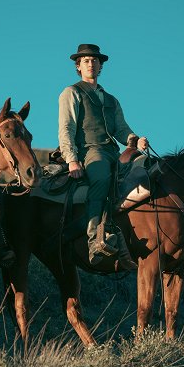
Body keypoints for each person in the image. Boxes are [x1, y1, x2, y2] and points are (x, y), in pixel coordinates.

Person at [58, 44, 148, 266]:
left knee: (145, 172)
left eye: (95, 61)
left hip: (112, 151)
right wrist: (72, 160)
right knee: (101, 178)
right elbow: (66, 128)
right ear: (78, 66)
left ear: (100, 66)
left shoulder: (111, 99)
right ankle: (93, 240)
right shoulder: (72, 92)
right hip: (90, 150)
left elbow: (121, 129)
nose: (91, 64)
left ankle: (126, 242)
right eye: (86, 60)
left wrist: (136, 140)